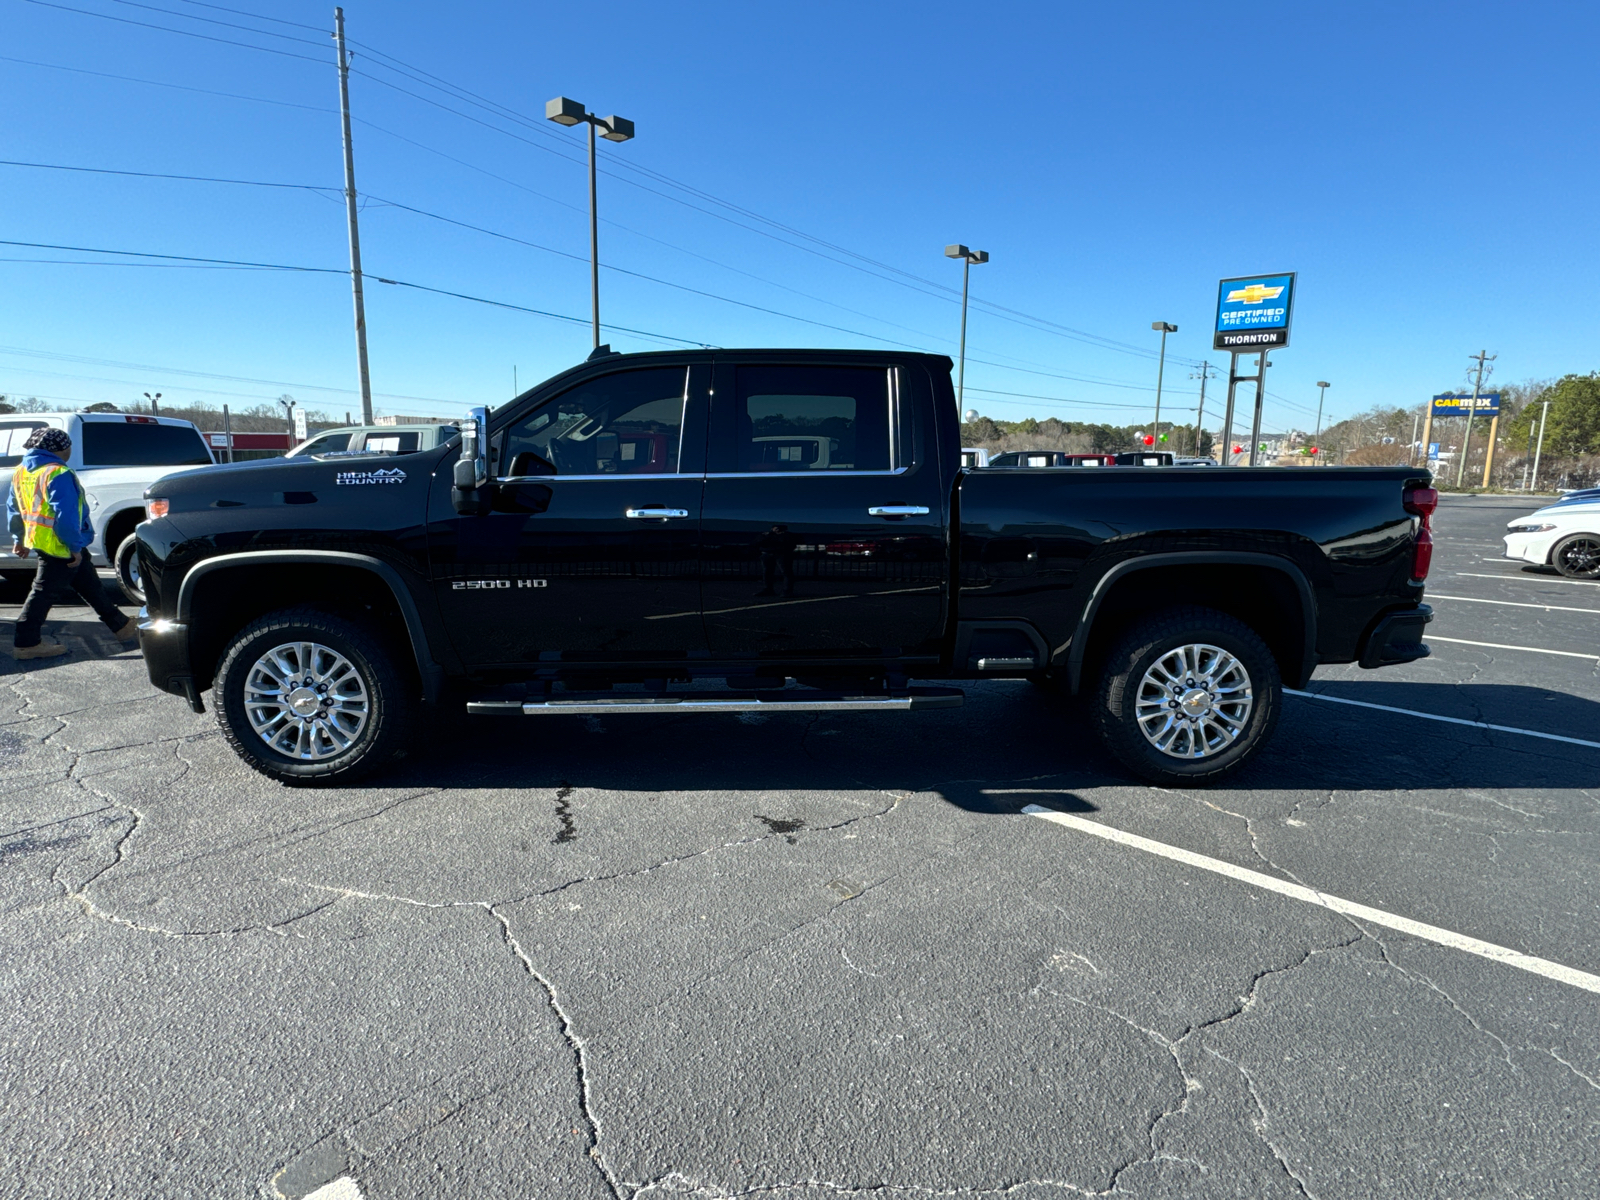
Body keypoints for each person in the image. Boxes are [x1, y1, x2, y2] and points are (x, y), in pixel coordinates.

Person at [8, 427, 137, 659]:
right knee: (42, 592)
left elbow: (14, 509)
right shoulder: (58, 472)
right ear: (59, 449)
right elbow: (65, 516)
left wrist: (19, 539)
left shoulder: (21, 472)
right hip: (61, 545)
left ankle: (121, 626)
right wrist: (74, 547)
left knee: (90, 586)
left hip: (42, 540)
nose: (69, 451)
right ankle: (26, 643)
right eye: (68, 447)